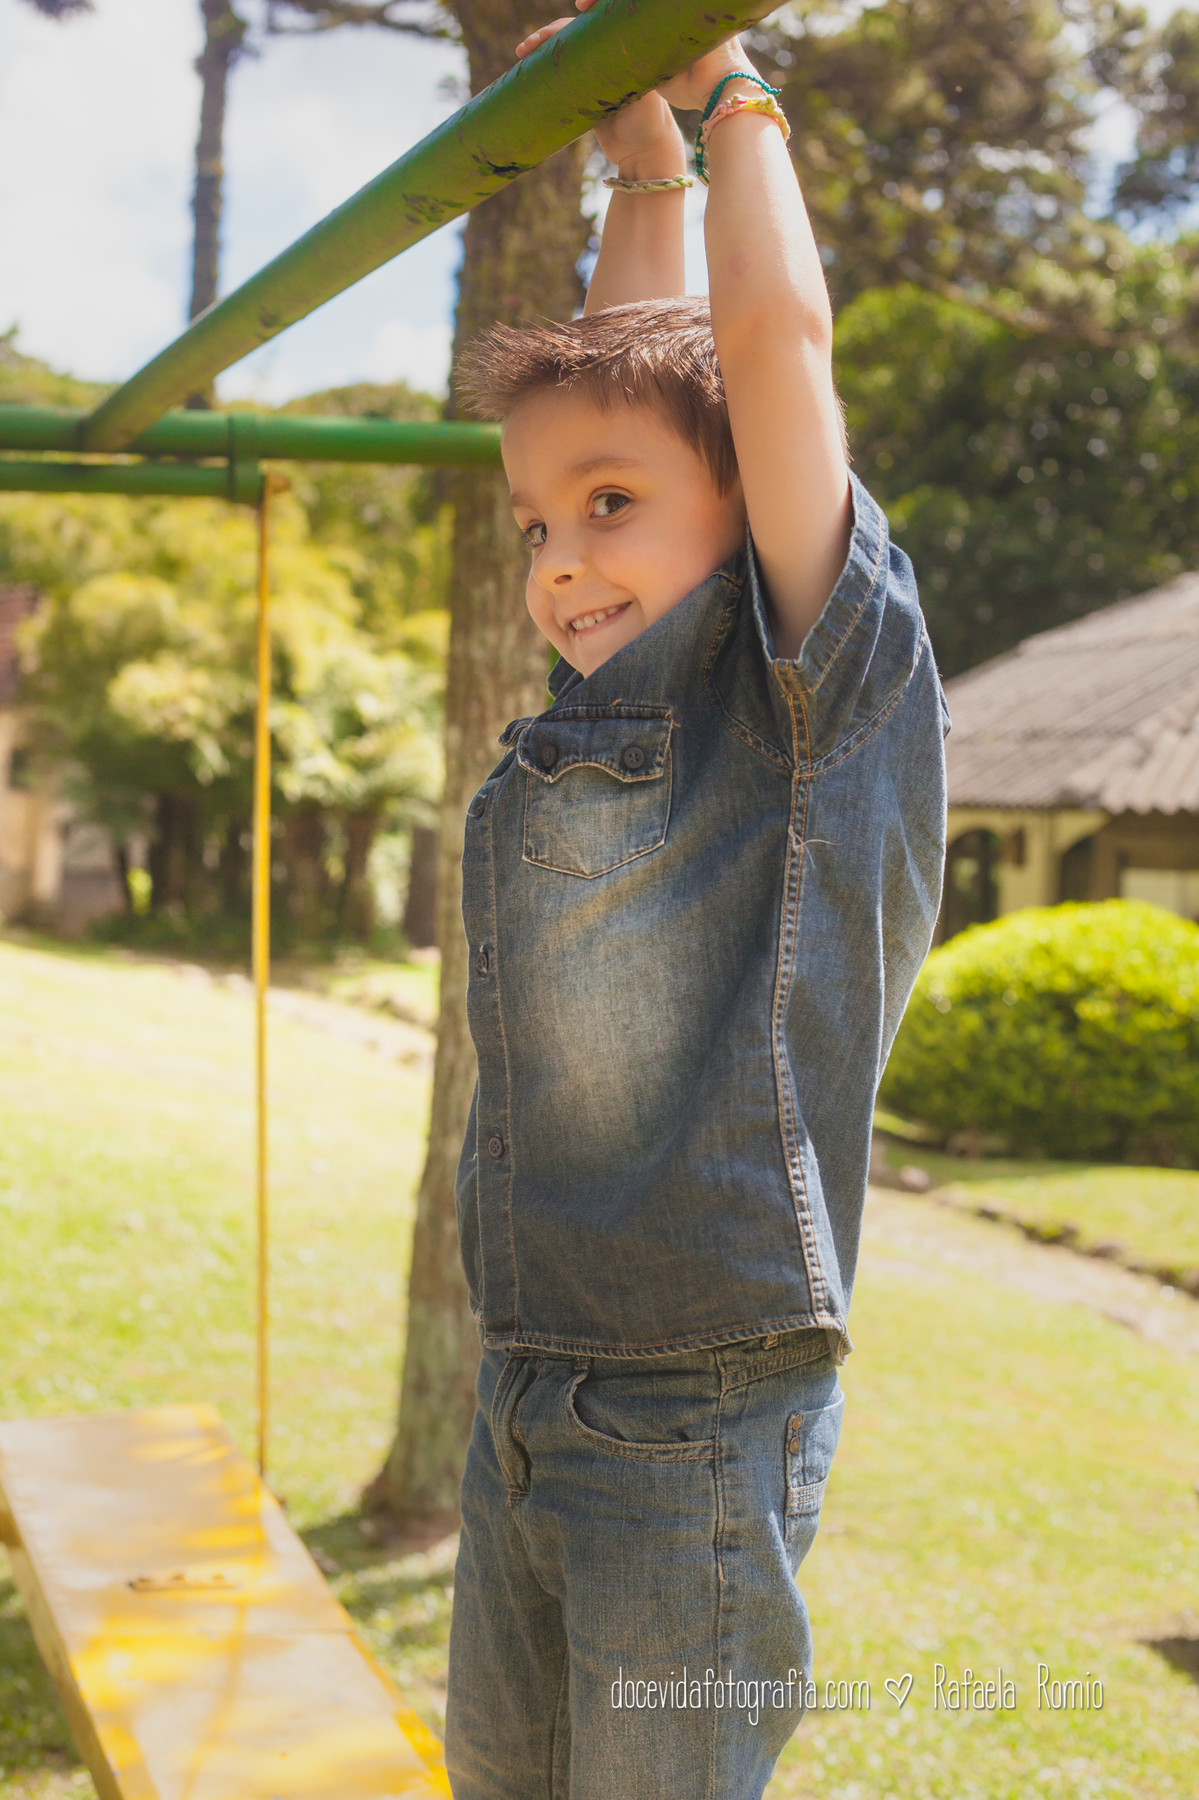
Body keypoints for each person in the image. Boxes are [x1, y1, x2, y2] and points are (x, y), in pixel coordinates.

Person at [443, 8, 949, 1798]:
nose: (565, 555)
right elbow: (645, 371)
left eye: (610, 509)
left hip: (692, 1425)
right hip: (526, 1393)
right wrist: (638, 164)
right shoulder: (607, 711)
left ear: (755, 512)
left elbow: (759, 347)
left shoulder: (813, 683)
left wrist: (726, 93)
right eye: (533, 525)